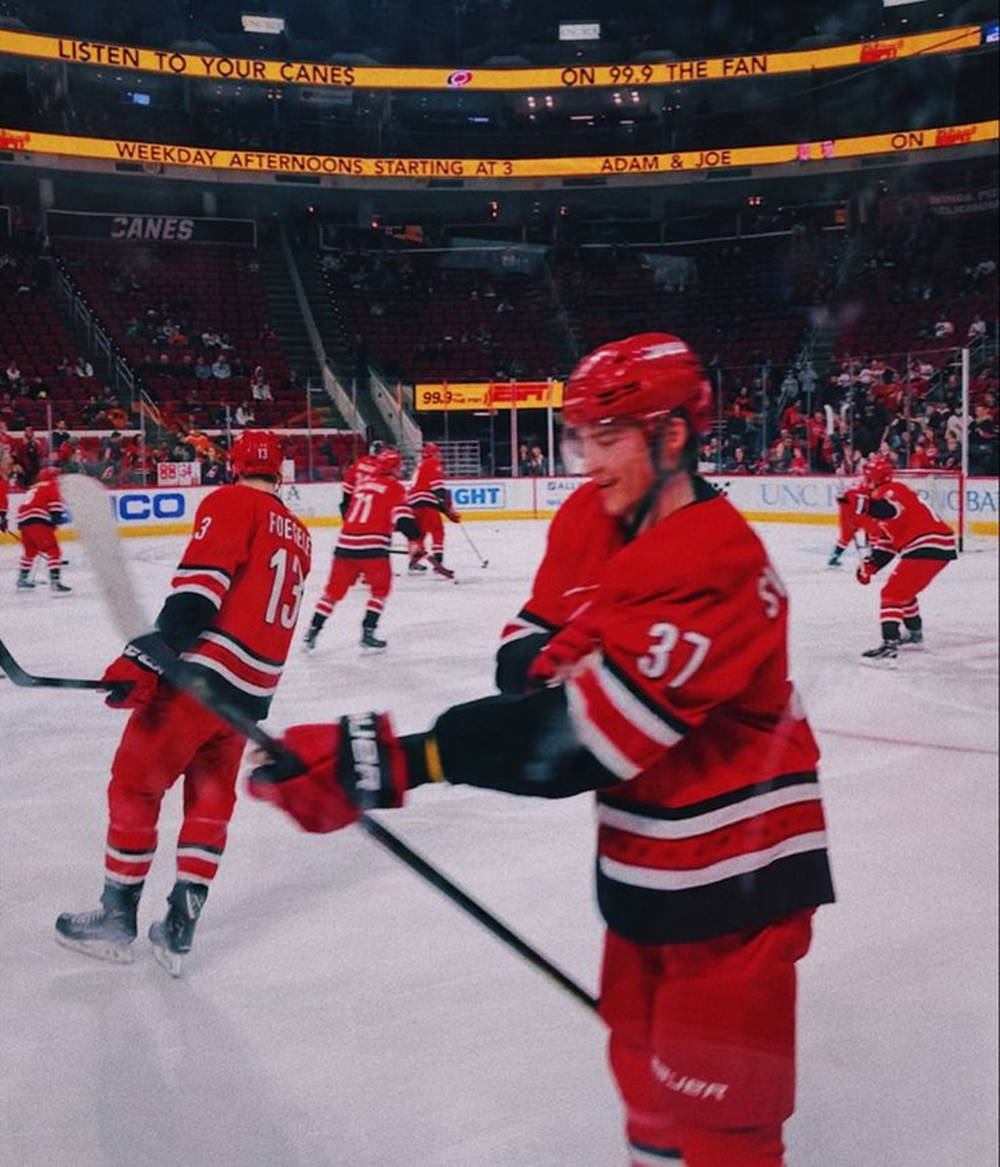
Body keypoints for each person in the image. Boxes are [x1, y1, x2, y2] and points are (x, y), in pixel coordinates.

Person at [248, 333, 835, 1167]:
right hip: (647, 869)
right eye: (582, 439)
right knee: (645, 1082)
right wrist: (553, 656)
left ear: (671, 436)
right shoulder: (602, 520)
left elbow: (575, 742)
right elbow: (526, 654)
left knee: (722, 1126)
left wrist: (389, 760)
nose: (588, 463)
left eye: (610, 438)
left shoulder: (717, 557)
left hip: (739, 887)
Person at [54, 431, 312, 975]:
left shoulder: (230, 501)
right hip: (249, 697)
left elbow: (200, 592)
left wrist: (144, 657)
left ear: (234, 465)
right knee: (210, 804)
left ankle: (116, 918)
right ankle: (179, 929)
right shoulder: (302, 536)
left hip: (201, 679)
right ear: (280, 474)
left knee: (135, 783)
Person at [303, 447, 420, 652]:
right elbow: (403, 519)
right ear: (394, 468)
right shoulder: (394, 487)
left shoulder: (363, 484)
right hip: (373, 550)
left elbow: (347, 505)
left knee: (332, 592)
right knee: (380, 590)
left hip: (345, 546)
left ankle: (313, 630)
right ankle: (368, 632)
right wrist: (415, 541)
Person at [851, 453, 957, 665]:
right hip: (930, 545)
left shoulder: (892, 490)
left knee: (892, 592)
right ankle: (915, 633)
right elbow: (887, 546)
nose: (863, 481)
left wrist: (862, 505)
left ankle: (889, 646)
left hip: (927, 543)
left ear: (873, 478)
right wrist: (871, 566)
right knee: (905, 590)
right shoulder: (883, 499)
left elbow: (891, 510)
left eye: (866, 477)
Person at [407, 441, 461, 578]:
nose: (440, 455)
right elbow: (438, 489)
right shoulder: (433, 463)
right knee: (438, 530)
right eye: (438, 452)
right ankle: (438, 561)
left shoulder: (420, 466)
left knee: (420, 533)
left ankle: (413, 562)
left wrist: (445, 508)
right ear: (433, 453)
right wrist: (447, 508)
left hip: (412, 503)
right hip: (426, 502)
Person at [15, 466, 70, 593]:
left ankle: (22, 579)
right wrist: (54, 522)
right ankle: (55, 583)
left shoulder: (34, 487)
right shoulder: (51, 486)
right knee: (53, 551)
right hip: (37, 520)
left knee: (30, 552)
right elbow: (55, 508)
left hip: (23, 521)